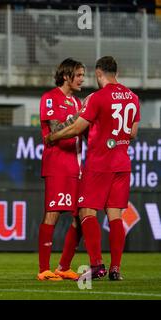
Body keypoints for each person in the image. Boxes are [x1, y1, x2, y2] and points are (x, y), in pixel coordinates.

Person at [46, 56, 140, 281]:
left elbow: (77, 128)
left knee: (86, 211)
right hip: (122, 163)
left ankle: (97, 264)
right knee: (115, 214)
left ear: (99, 74)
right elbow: (133, 133)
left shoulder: (98, 98)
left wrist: (53, 137)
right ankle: (115, 269)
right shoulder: (133, 98)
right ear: (115, 72)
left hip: (100, 163)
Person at [37, 58, 85, 281]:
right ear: (66, 76)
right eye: (79, 75)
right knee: (53, 214)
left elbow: (82, 130)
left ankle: (64, 266)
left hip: (76, 167)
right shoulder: (49, 98)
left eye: (83, 75)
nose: (82, 79)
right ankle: (44, 269)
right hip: (57, 164)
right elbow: (55, 129)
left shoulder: (77, 103)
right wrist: (81, 118)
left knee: (81, 217)